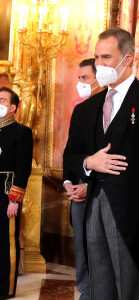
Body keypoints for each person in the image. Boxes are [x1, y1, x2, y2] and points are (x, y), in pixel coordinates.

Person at [63, 27, 139, 300]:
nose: (99, 65)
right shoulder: (86, 109)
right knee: (100, 284)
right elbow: (71, 156)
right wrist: (89, 162)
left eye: (106, 57)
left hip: (134, 214)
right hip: (93, 208)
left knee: (132, 285)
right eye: (96, 58)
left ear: (127, 59)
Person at [63, 58, 101, 300]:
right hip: (77, 190)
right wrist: (69, 183)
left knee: (98, 247)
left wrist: (89, 184)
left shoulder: (113, 110)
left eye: (85, 78)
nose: (80, 83)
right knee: (81, 247)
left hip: (100, 190)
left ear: (99, 79)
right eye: (79, 79)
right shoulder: (80, 110)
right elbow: (70, 152)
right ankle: (85, 290)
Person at [0, 87, 33, 299]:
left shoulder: (22, 132)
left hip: (6, 190)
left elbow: (23, 169)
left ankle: (6, 288)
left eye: (2, 100)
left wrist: (15, 199)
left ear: (13, 107)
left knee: (6, 240)